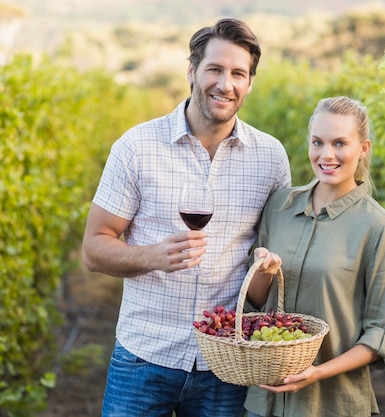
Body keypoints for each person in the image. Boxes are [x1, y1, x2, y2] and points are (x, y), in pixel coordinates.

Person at [81, 18, 291, 417]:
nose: (224, 84)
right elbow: (93, 250)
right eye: (214, 69)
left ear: (249, 83)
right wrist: (153, 256)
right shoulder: (137, 147)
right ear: (192, 70)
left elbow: (265, 267)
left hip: (226, 365)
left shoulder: (271, 158)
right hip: (144, 356)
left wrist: (268, 264)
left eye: (238, 74)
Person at [244, 96, 385, 417]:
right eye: (318, 142)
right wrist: (263, 270)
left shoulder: (376, 226)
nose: (326, 154)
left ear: (364, 148)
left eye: (340, 143)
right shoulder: (280, 206)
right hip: (265, 402)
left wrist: (316, 373)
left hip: (333, 404)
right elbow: (258, 301)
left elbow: (384, 331)